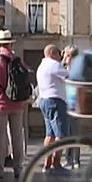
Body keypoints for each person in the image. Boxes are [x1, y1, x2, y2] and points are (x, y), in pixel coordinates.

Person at [0, 30, 27, 180]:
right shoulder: (18, 60)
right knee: (17, 137)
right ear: (11, 44)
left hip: (0, 103)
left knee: (0, 138)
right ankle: (18, 169)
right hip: (18, 103)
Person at [36, 44, 70, 172]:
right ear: (51, 53)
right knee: (60, 134)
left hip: (44, 100)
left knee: (49, 134)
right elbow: (69, 76)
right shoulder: (53, 64)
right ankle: (56, 164)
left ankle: (47, 163)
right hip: (56, 101)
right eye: (57, 53)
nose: (59, 56)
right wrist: (67, 62)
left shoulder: (42, 66)